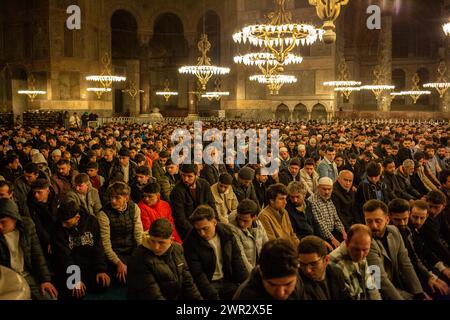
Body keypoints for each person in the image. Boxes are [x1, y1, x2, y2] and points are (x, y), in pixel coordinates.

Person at [363, 199, 428, 300]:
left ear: (387, 220)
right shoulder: (366, 241)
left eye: (378, 221)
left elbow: (406, 264)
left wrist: (419, 293)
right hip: (375, 289)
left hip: (394, 283)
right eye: (369, 221)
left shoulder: (394, 231)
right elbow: (380, 279)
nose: (373, 226)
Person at [183, 205, 249, 300]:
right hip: (208, 283)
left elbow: (237, 260)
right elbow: (198, 274)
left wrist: (247, 285)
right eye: (198, 230)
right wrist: (212, 295)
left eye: (205, 228)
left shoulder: (226, 233)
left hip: (228, 280)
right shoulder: (190, 242)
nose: (202, 233)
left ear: (214, 222)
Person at [127, 218, 202, 300]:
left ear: (171, 240)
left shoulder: (177, 249)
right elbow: (153, 295)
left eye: (161, 242)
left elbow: (188, 284)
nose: (156, 247)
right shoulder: (139, 257)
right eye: (152, 241)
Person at [388, 198, 449, 298]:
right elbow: (380, 281)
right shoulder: (375, 240)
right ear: (388, 217)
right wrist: (419, 293)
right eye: (397, 220)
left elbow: (411, 261)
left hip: (410, 277)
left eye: (405, 219)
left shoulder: (405, 231)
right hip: (395, 285)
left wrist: (429, 277)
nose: (402, 223)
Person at [0, 198, 58, 300]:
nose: (0, 226)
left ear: (14, 218)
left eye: (3, 222)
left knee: (49, 297)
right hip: (8, 278)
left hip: (27, 274)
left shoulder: (27, 226)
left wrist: (45, 280)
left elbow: (37, 255)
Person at [52, 200, 110, 300]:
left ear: (77, 217)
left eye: (67, 222)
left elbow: (98, 247)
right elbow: (64, 257)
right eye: (62, 221)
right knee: (75, 294)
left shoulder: (92, 221)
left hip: (88, 265)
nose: (63, 225)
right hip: (69, 268)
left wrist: (100, 269)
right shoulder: (58, 227)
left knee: (103, 284)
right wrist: (75, 278)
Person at [97, 182, 143, 286]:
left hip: (131, 251)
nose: (113, 201)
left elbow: (138, 235)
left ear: (126, 198)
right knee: (122, 278)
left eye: (117, 198)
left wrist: (138, 256)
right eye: (111, 197)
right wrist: (118, 263)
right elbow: (106, 245)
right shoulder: (103, 214)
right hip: (114, 254)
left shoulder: (134, 208)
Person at [233, 239, 307, 300]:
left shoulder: (295, 275)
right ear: (261, 273)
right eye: (272, 285)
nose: (280, 293)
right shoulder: (245, 297)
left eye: (288, 284)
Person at [329, 224, 381, 300]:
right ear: (347, 243)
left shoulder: (360, 251)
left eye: (365, 250)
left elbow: (371, 287)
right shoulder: (334, 265)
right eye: (356, 249)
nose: (361, 255)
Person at [170, 164, 217, 240]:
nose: (185, 179)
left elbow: (212, 205)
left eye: (189, 176)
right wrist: (196, 231)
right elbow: (180, 218)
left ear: (197, 175)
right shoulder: (177, 191)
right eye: (183, 175)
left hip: (205, 223)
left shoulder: (204, 184)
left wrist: (215, 222)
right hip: (188, 229)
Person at [298, 235, 351, 300]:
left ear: (326, 260)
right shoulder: (298, 284)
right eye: (302, 264)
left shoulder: (336, 273)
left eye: (313, 264)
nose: (308, 270)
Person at [228, 199, 269, 273]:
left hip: (260, 266)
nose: (241, 224)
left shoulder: (258, 224)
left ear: (254, 217)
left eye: (245, 221)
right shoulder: (232, 228)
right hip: (246, 272)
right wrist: (254, 275)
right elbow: (242, 258)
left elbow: (267, 245)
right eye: (239, 219)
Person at [307, 177, 346, 248]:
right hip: (321, 235)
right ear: (318, 187)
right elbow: (320, 224)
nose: (327, 192)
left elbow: (336, 218)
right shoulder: (312, 201)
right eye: (324, 189)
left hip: (332, 232)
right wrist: (332, 239)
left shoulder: (329, 199)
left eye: (329, 189)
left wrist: (343, 232)